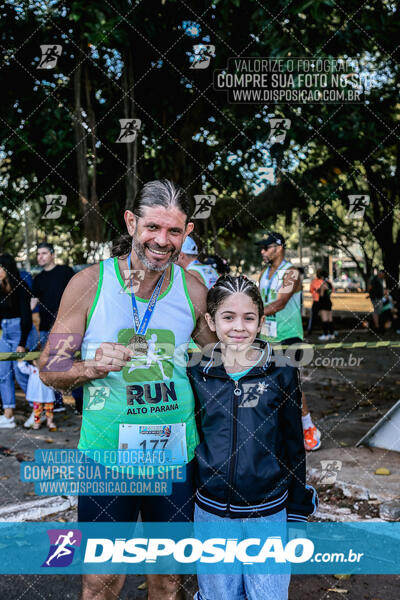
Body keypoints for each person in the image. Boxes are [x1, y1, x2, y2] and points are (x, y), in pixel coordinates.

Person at [39, 179, 216, 600]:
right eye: (153, 227)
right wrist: (90, 366)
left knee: (169, 580)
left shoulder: (193, 290)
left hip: (174, 459)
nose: (162, 240)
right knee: (101, 583)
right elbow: (50, 368)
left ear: (187, 232)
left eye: (174, 231)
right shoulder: (88, 284)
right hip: (106, 457)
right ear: (131, 222)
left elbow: (218, 363)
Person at [188, 275, 318, 600]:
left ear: (261, 321)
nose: (239, 327)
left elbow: (293, 444)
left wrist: (297, 510)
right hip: (212, 513)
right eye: (228, 317)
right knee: (218, 595)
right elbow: (191, 440)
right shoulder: (196, 371)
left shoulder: (281, 369)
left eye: (249, 318)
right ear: (210, 321)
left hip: (268, 514)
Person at [256, 232, 321, 451]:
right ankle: (280, 430)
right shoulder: (264, 273)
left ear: (279, 247)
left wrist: (251, 314)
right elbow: (258, 298)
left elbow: (281, 302)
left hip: (288, 336)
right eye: (262, 248)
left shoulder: (291, 272)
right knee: (269, 385)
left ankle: (308, 428)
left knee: (291, 385)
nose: (262, 251)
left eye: (266, 247)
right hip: (266, 337)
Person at [30, 242, 74, 416]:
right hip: (45, 328)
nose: (40, 257)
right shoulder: (38, 279)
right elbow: (32, 303)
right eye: (38, 254)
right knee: (49, 366)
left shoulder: (65, 272)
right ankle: (56, 403)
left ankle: (80, 403)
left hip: (68, 326)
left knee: (70, 364)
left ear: (52, 254)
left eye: (44, 253)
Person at [0, 254, 33, 428]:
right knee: (3, 373)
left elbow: (27, 319)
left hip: (20, 331)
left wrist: (22, 343)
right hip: (5, 332)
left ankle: (38, 410)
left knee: (20, 372)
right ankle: (8, 415)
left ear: (7, 269)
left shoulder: (21, 287)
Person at [17, 359, 56, 430]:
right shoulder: (32, 369)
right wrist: (20, 361)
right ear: (34, 362)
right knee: (37, 410)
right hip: (37, 395)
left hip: (48, 394)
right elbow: (23, 369)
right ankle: (37, 422)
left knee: (49, 409)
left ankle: (49, 422)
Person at [318, 271, 334, 341]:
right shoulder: (330, 284)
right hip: (329, 301)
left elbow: (321, 295)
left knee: (324, 320)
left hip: (323, 302)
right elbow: (330, 292)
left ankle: (325, 335)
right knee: (330, 319)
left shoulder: (323, 284)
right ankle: (332, 334)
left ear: (322, 277)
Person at [307, 268, 324, 335]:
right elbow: (311, 291)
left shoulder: (324, 281)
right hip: (316, 301)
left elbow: (330, 291)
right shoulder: (314, 281)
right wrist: (315, 291)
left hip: (323, 301)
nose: (318, 274)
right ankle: (310, 330)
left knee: (325, 317)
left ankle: (326, 331)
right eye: (318, 273)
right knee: (313, 316)